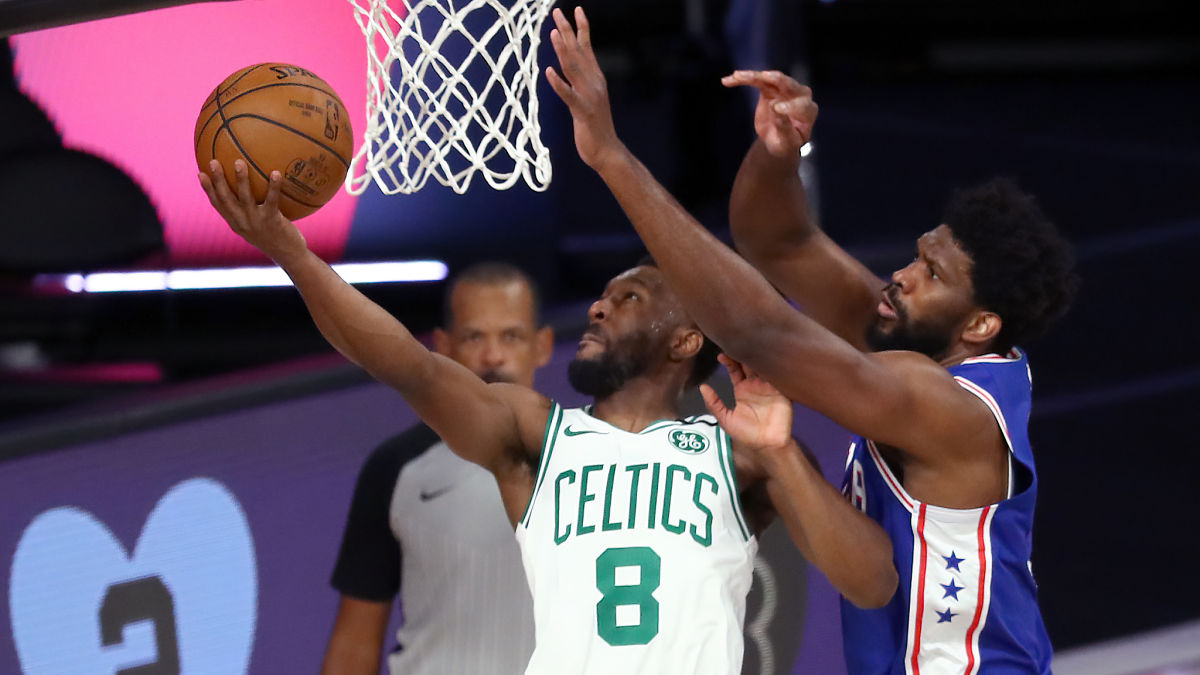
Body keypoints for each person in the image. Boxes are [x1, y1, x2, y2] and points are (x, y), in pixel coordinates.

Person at [543, 7, 1077, 674]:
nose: (903, 276)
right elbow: (779, 242)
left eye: (933, 274)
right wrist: (778, 154)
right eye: (917, 256)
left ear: (979, 326)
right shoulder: (911, 337)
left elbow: (757, 329)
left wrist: (612, 158)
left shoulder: (951, 409)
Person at [197, 160, 885, 673]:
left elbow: (872, 582)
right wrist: (293, 254)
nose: (598, 306)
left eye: (632, 298)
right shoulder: (537, 435)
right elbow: (408, 365)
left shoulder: (738, 451)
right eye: (603, 296)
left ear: (685, 341)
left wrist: (783, 453)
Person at [321, 262, 553, 675]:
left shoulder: (587, 457)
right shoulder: (395, 468)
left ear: (543, 345)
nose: (493, 356)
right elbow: (354, 643)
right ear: (443, 346)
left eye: (511, 336)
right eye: (474, 337)